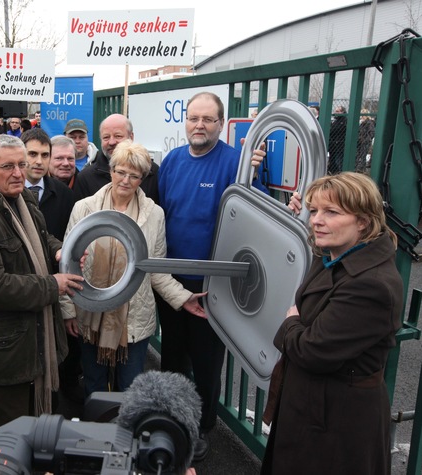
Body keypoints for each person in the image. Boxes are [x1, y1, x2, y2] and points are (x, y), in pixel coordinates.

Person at [261, 172, 403, 475]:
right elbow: (313, 251)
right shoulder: (338, 254)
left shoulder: (371, 285)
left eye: (332, 212)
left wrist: (291, 323)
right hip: (315, 406)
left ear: (363, 221)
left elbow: (312, 351)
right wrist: (304, 215)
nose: (316, 220)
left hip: (338, 421)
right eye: (314, 211)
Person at [0, 134, 84, 442]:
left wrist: (60, 250)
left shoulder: (22, 198)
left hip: (32, 341)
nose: (20, 172)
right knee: (7, 441)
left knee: (37, 433)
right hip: (3, 355)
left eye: (22, 164)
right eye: (8, 166)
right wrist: (52, 285)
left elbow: (39, 237)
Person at [157, 91, 265, 461]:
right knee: (172, 358)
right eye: (193, 118)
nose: (199, 125)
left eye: (207, 119)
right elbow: (158, 215)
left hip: (212, 287)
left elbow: (259, 216)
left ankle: (201, 429)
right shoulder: (171, 161)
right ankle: (171, 420)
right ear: (184, 122)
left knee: (205, 365)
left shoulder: (237, 164)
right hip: (171, 284)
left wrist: (255, 173)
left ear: (221, 123)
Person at [62, 141, 206, 397]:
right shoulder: (83, 208)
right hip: (91, 313)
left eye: (134, 175)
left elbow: (156, 269)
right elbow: (69, 264)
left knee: (131, 388)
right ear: (111, 170)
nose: (125, 180)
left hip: (134, 317)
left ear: (143, 178)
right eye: (120, 171)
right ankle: (97, 432)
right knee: (94, 384)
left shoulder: (155, 215)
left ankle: (125, 435)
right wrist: (68, 311)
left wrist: (183, 298)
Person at [73, 114, 160, 204]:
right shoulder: (85, 178)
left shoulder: (152, 172)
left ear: (131, 137)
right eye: (106, 137)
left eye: (118, 136)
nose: (112, 142)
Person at [21, 128, 75, 241]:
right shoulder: (8, 191)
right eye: (32, 154)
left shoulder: (65, 194)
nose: (39, 161)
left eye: (45, 155)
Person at [328, 105, 347, 174]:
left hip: (340, 145)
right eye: (336, 111)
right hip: (334, 146)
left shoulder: (344, 121)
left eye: (338, 111)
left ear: (343, 112)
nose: (336, 112)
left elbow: (335, 130)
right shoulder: (335, 121)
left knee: (338, 162)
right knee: (333, 161)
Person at [356, 108, 375, 173]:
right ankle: (360, 169)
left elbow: (371, 133)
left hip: (365, 142)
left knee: (363, 156)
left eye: (363, 115)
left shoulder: (369, 123)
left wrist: (366, 139)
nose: (361, 117)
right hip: (360, 142)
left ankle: (361, 170)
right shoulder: (362, 123)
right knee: (359, 155)